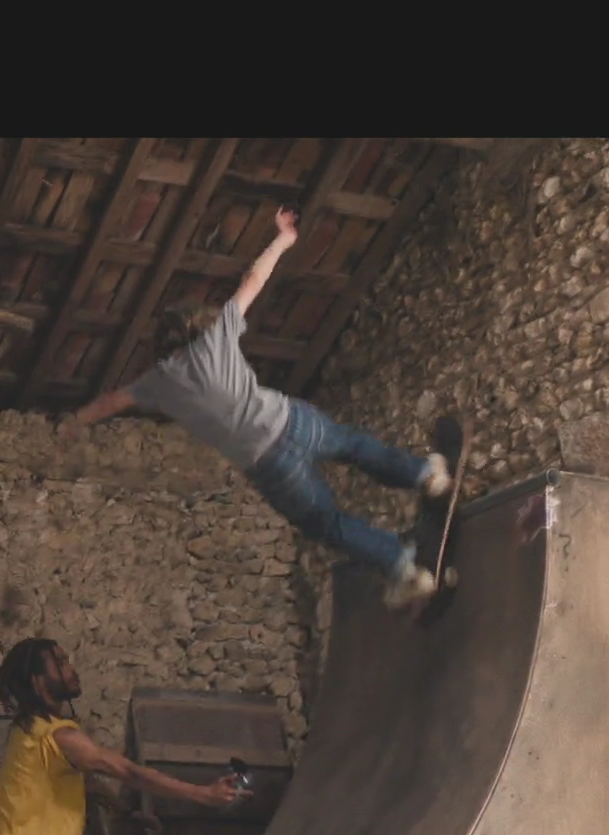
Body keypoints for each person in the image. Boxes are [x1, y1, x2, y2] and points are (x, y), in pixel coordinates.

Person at [65, 206, 452, 607]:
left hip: (270, 465)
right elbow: (253, 279)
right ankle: (426, 476)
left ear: (164, 346)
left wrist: (76, 421)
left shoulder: (157, 383)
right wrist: (283, 238)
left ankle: (405, 571)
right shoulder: (216, 335)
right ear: (195, 324)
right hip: (293, 421)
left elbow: (112, 401)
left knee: (327, 523)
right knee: (354, 446)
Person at [0, 637, 250, 835]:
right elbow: (127, 772)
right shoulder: (57, 737)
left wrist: (126, 813)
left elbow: (86, 782)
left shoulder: (34, 730)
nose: (71, 669)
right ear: (38, 681)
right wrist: (204, 794)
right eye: (61, 663)